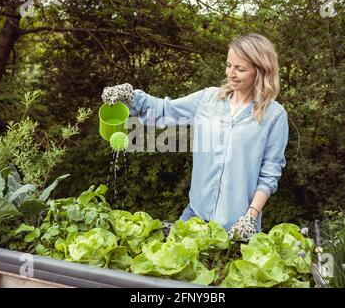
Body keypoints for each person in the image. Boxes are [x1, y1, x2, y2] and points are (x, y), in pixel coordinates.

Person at [101, 33, 289, 243]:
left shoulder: (274, 115)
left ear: (260, 71)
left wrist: (250, 217)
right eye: (228, 65)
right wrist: (131, 97)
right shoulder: (208, 99)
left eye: (240, 69)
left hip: (238, 226)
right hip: (195, 217)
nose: (231, 74)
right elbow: (165, 110)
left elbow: (269, 173)